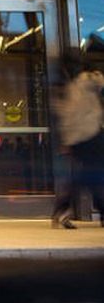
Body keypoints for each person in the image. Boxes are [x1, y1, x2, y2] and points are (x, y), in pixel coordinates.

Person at [52, 58, 104, 229]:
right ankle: (63, 208)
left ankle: (64, 208)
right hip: (92, 136)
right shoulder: (87, 80)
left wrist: (66, 141)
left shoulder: (67, 89)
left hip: (78, 140)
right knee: (90, 175)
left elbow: (65, 118)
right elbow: (100, 81)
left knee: (90, 175)